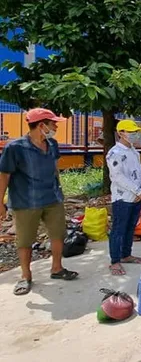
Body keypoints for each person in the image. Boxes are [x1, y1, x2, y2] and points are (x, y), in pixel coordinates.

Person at [0, 108, 78, 295]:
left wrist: (60, 190)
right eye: (53, 124)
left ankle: (57, 268)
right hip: (26, 202)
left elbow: (54, 168)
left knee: (58, 234)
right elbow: (4, 175)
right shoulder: (15, 148)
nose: (56, 127)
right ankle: (25, 276)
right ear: (41, 125)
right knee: (25, 240)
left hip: (52, 198)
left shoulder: (52, 144)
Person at [106, 119, 141, 276]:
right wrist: (137, 190)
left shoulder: (134, 152)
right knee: (119, 229)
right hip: (123, 198)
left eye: (136, 132)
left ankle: (126, 254)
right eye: (131, 132)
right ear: (120, 133)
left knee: (130, 227)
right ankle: (115, 261)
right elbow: (118, 177)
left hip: (137, 196)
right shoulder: (114, 154)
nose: (135, 135)